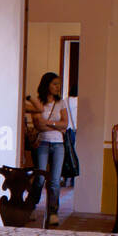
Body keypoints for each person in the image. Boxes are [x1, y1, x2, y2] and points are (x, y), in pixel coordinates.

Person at [24, 72, 67, 226]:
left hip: (59, 144)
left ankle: (53, 212)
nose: (57, 87)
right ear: (46, 85)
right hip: (42, 143)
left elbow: (65, 124)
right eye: (54, 83)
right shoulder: (39, 103)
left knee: (55, 181)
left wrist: (49, 123)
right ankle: (31, 206)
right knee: (39, 178)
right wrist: (55, 125)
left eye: (58, 84)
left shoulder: (61, 103)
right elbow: (38, 125)